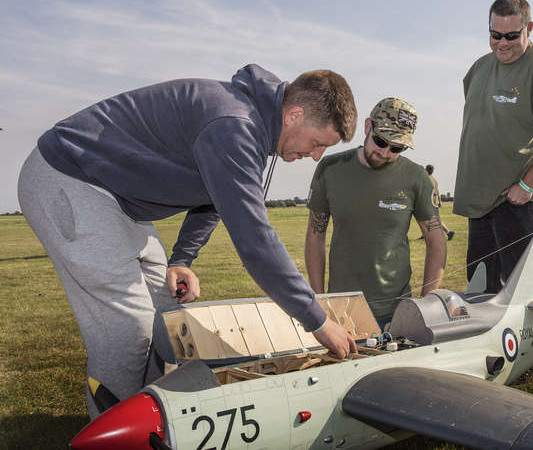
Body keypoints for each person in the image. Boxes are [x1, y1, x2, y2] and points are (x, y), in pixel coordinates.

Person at [17, 63, 359, 418]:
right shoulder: (235, 125)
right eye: (317, 143)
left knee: (166, 314)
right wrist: (317, 320)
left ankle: (149, 418)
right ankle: (114, 430)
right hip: (71, 176)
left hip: (118, 197)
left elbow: (212, 200)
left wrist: (181, 259)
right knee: (128, 329)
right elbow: (256, 242)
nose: (316, 155)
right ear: (294, 114)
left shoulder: (251, 128)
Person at [453, 0, 533, 292]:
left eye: (511, 35)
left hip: (519, 204)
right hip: (481, 204)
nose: (501, 43)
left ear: (529, 29)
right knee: (482, 294)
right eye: (495, 35)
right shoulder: (479, 68)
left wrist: (527, 185)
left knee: (524, 295)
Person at [305, 98, 447, 328]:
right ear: (367, 126)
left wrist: (428, 302)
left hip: (396, 313)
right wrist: (319, 300)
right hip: (341, 310)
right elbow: (315, 235)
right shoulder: (330, 168)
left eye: (397, 148)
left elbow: (436, 239)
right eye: (380, 142)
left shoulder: (417, 177)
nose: (386, 152)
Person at [424, 164, 455, 241]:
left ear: (426, 170)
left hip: (429, 202)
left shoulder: (426, 179)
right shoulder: (434, 180)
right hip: (434, 202)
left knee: (433, 219)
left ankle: (448, 232)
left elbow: (425, 191)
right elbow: (437, 192)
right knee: (427, 218)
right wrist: (440, 201)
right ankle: (424, 235)